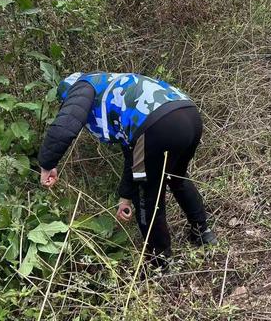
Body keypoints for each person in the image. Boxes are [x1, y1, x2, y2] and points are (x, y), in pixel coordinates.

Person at [38, 72, 217, 268]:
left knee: (148, 195)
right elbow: (133, 156)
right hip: (189, 115)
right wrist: (125, 197)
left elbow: (65, 125)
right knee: (177, 177)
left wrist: (47, 163)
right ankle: (203, 234)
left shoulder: (82, 87)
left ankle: (160, 261)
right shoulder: (111, 86)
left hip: (157, 125)